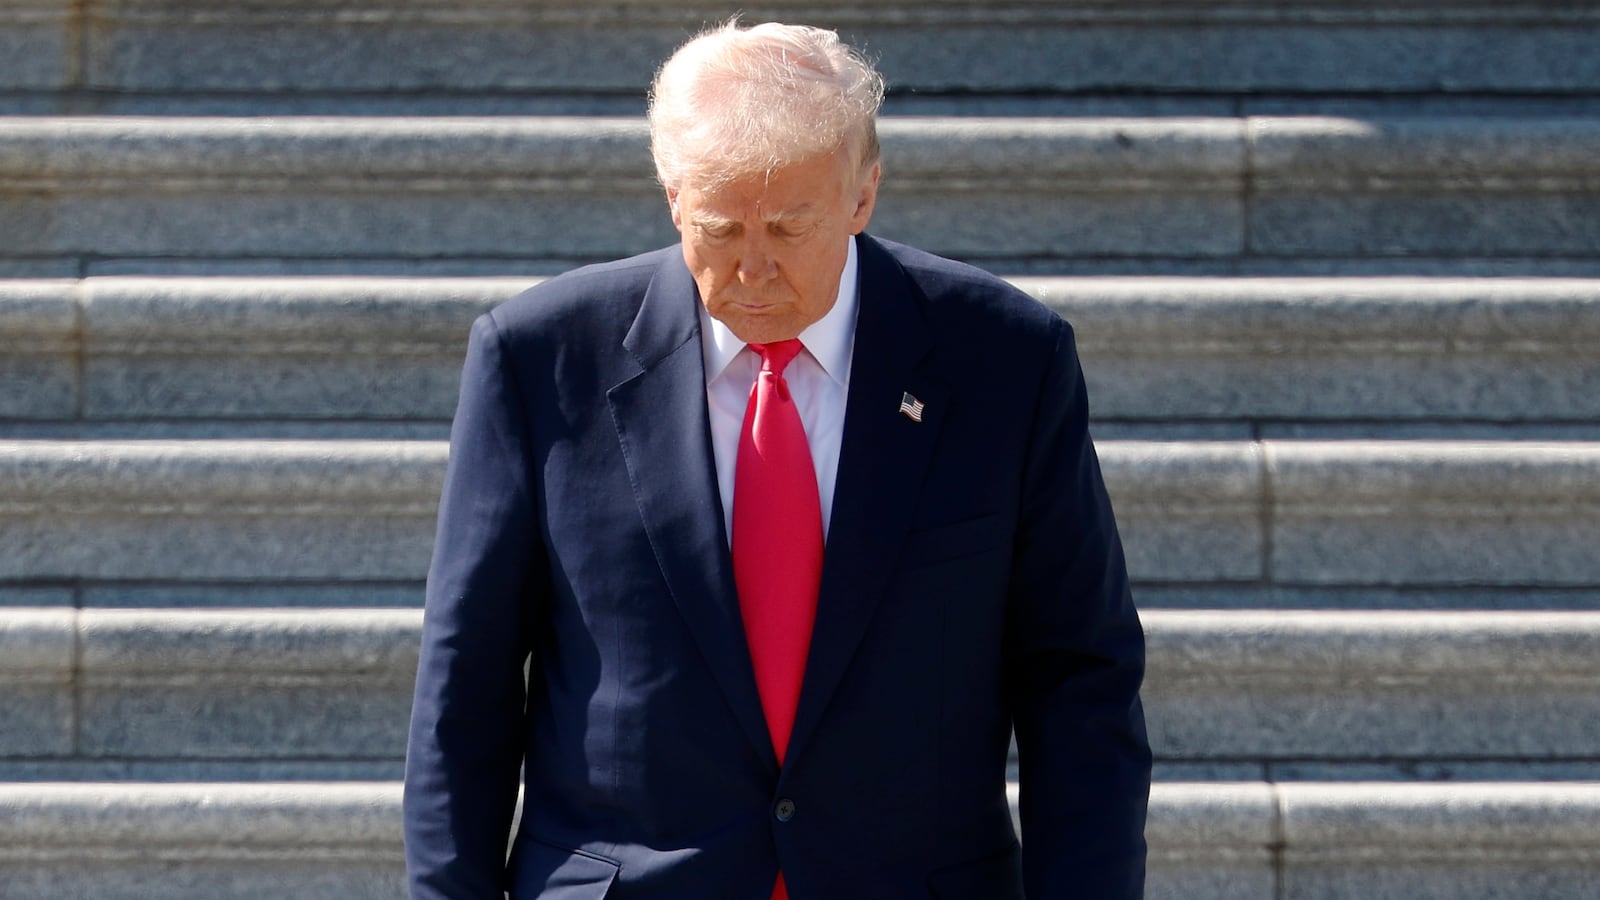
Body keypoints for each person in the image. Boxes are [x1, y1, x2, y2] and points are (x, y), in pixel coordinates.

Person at [404, 20, 1150, 900]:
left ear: (863, 194)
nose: (752, 270)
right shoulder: (540, 359)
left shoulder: (1005, 359)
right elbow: (468, 690)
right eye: (720, 229)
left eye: (790, 229)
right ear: (672, 194)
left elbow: (1079, 683)